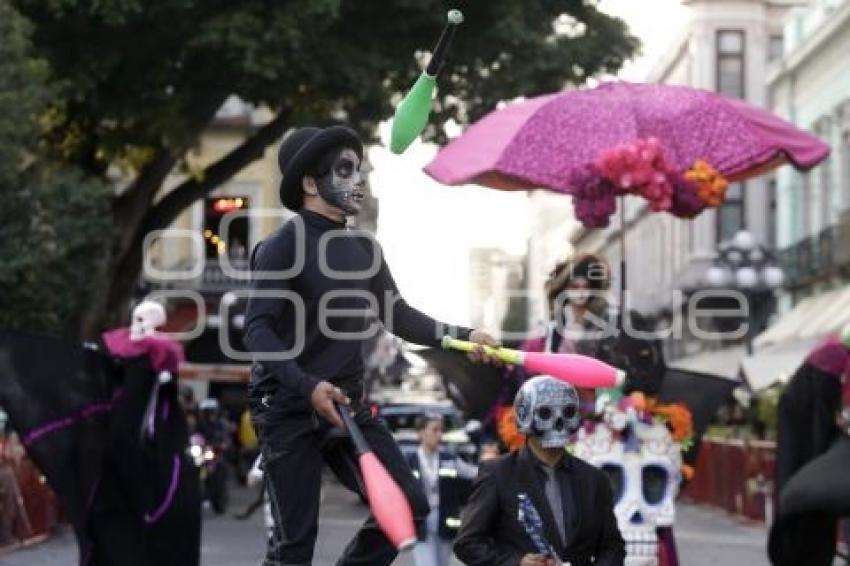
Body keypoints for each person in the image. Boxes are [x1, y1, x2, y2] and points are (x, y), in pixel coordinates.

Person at [244, 125, 498, 566]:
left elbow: (399, 317)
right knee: (293, 548)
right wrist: (306, 387)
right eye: (345, 170)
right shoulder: (281, 246)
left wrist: (464, 336)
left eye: (359, 168)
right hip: (287, 405)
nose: (359, 179)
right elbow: (257, 331)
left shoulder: (364, 248)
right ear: (309, 182)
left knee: (410, 505)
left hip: (346, 404)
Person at [454, 376, 625, 566]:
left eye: (567, 412)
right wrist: (516, 563)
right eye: (545, 413)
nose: (558, 422)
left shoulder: (594, 479)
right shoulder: (497, 474)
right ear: (524, 415)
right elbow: (467, 543)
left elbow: (612, 546)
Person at [408, 414, 478, 566]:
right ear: (421, 432)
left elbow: (473, 472)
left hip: (444, 523)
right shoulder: (409, 462)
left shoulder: (449, 459)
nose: (439, 434)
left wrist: (494, 469)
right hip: (420, 524)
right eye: (435, 430)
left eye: (441, 430)